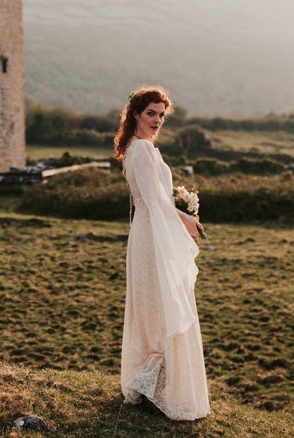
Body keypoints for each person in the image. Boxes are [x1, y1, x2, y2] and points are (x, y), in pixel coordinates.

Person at [113, 85, 210, 420]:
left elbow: (159, 197)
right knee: (159, 308)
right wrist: (183, 217)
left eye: (161, 115)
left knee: (160, 305)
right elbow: (153, 200)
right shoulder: (139, 150)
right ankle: (154, 387)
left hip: (154, 229)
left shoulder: (145, 149)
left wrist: (179, 209)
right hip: (150, 234)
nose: (157, 120)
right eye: (150, 113)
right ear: (136, 114)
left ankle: (155, 384)